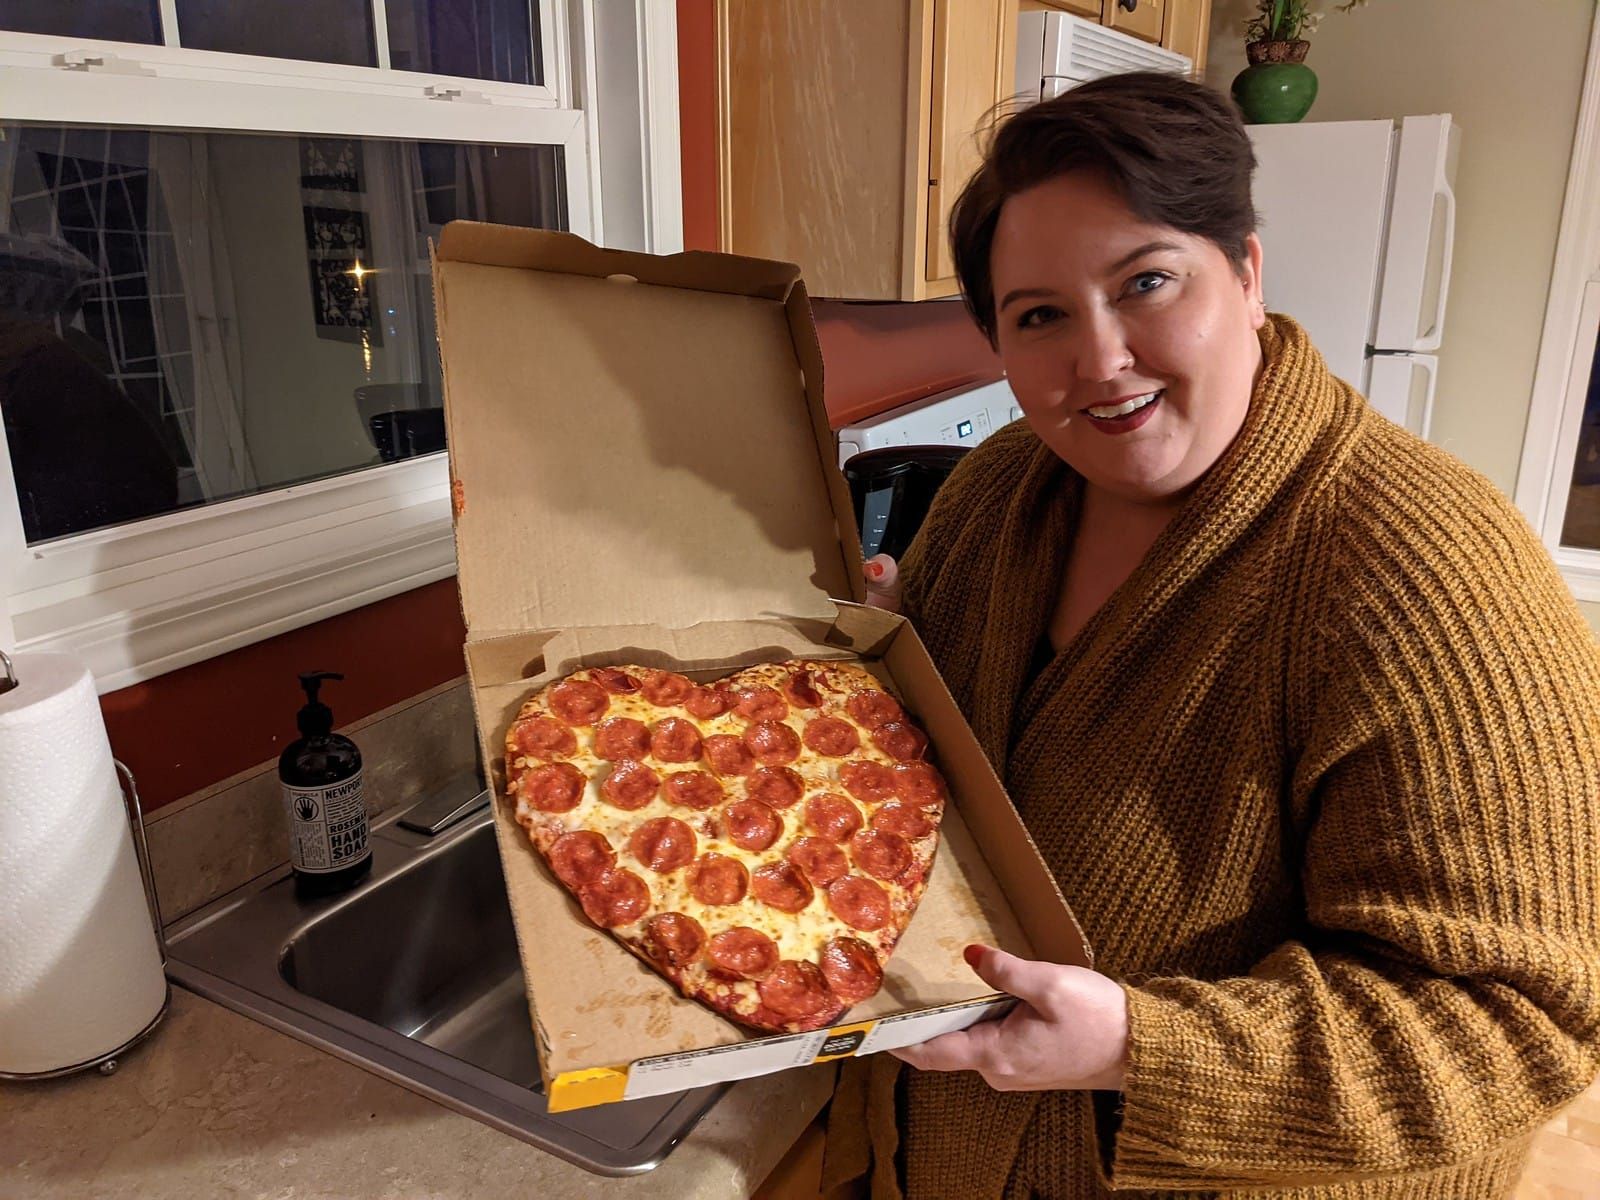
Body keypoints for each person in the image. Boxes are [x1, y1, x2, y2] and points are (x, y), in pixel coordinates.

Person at [821, 72, 1600, 1199]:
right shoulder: (1000, 490)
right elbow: (969, 768)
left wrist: (1136, 1049)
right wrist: (891, 664)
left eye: (1146, 282)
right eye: (1039, 316)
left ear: (1245, 273)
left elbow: (1515, 1025)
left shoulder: (1429, 572)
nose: (1099, 359)